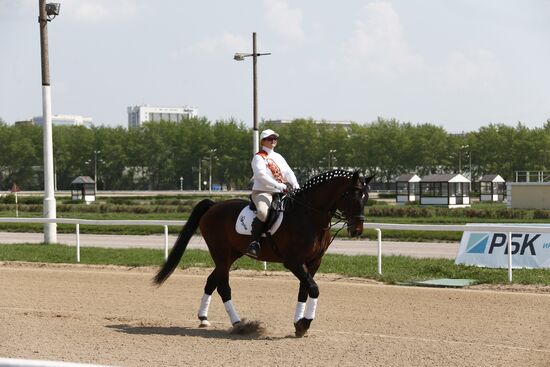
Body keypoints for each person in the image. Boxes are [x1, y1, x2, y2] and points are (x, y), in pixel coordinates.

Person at [246, 129, 300, 258]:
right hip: (263, 192)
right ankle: (254, 243)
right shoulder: (258, 157)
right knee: (263, 212)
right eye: (270, 138)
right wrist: (278, 185)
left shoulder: (278, 156)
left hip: (281, 192)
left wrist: (295, 184)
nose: (273, 140)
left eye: (275, 138)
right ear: (263, 141)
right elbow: (261, 176)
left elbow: (288, 172)